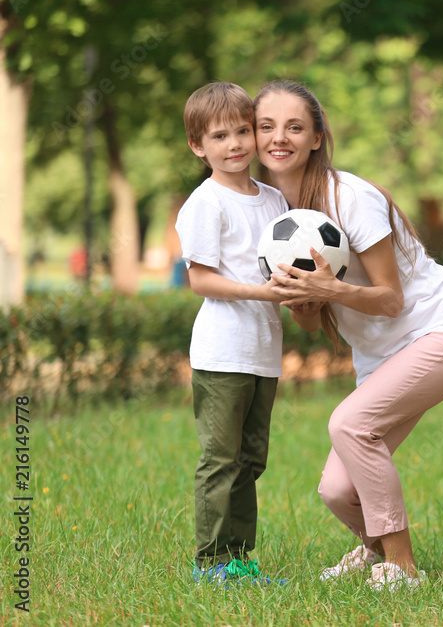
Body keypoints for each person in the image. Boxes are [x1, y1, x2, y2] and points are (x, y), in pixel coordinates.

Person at [253, 79, 443, 592]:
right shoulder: (275, 215)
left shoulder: (350, 196)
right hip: (381, 356)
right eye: (266, 126)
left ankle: (402, 567)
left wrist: (331, 288)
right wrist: (309, 299)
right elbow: (312, 319)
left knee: (351, 424)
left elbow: (391, 297)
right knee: (337, 490)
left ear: (317, 137)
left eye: (295, 126)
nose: (279, 137)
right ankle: (375, 550)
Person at [175, 81, 289, 584]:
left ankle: (240, 561)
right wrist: (263, 293)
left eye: (243, 131)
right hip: (223, 351)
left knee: (251, 460)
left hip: (264, 351)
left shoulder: (274, 199)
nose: (236, 144)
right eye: (219, 136)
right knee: (220, 460)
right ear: (199, 146)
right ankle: (211, 564)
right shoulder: (206, 203)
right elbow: (200, 278)